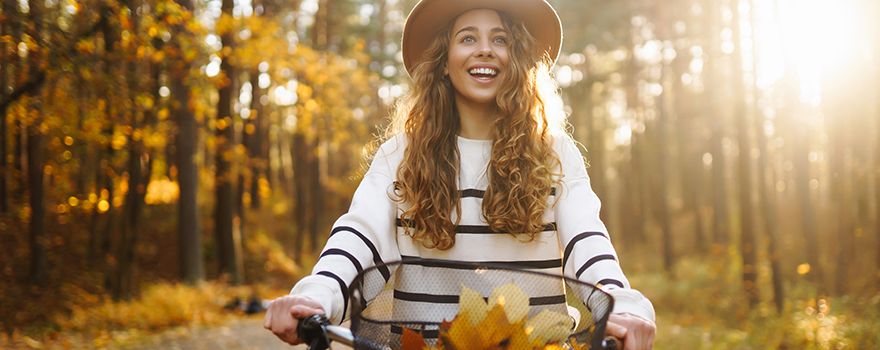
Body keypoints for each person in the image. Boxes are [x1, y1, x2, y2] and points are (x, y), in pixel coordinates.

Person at [264, 0, 656, 348]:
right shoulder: (400, 154)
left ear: (517, 58)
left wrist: (623, 305)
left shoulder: (553, 152)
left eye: (500, 39)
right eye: (468, 38)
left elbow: (588, 242)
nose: (485, 49)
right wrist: (318, 294)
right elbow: (361, 235)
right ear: (444, 61)